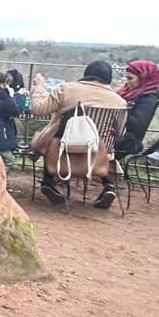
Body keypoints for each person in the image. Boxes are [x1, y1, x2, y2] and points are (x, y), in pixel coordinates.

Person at [29, 60, 126, 208]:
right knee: (101, 144)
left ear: (86, 74)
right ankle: (108, 186)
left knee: (52, 138)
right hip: (97, 156)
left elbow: (38, 109)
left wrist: (38, 87)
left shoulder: (67, 89)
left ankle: (48, 181)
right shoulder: (119, 102)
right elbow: (119, 132)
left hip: (61, 152)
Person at [114, 60, 159, 159]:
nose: (127, 82)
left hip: (127, 141)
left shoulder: (149, 98)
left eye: (130, 78)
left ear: (143, 78)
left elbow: (137, 124)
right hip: (117, 134)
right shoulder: (128, 91)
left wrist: (115, 109)